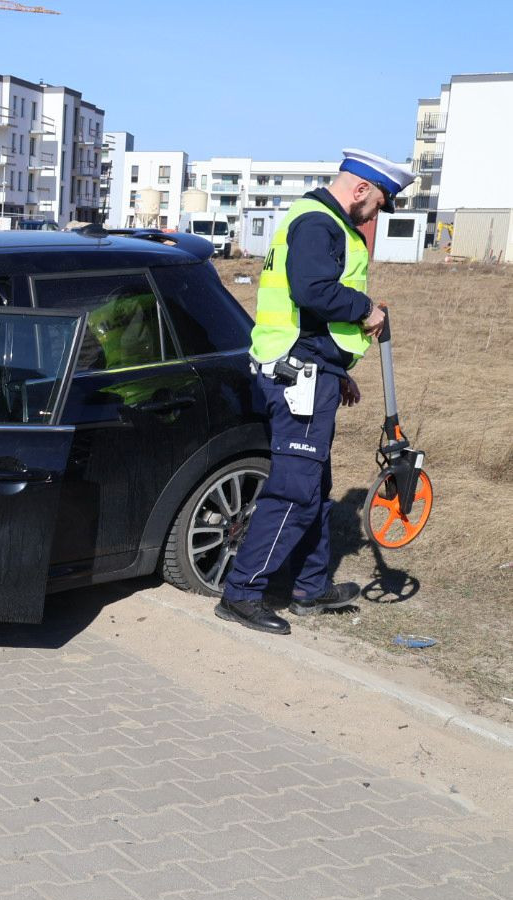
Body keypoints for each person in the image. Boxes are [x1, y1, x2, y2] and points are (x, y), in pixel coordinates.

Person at [216, 149, 416, 635]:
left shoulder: (319, 221)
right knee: (295, 490)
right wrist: (365, 308)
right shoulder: (318, 223)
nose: (378, 215)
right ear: (362, 189)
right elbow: (312, 291)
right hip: (296, 376)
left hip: (309, 367)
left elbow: (305, 312)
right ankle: (241, 593)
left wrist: (337, 368)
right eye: (380, 203)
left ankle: (310, 586)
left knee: (315, 485)